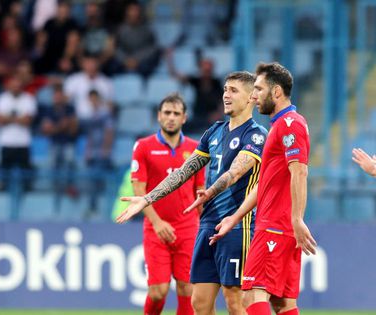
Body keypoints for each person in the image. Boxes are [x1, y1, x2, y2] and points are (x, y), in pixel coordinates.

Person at [116, 71, 268, 315]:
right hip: (207, 225)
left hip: (237, 227)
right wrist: (147, 198)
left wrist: (209, 191)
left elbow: (236, 172)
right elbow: (183, 172)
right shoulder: (214, 132)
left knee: (234, 301)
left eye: (234, 90)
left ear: (251, 97)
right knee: (199, 303)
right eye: (225, 89)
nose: (226, 95)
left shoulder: (256, 134)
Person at [210, 62, 317, 315]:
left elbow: (300, 171)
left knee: (251, 295)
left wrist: (297, 219)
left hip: (275, 226)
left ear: (276, 92)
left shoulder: (290, 124)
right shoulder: (281, 126)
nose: (254, 96)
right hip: (280, 226)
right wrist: (234, 218)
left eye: (258, 89)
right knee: (283, 303)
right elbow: (265, 184)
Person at [130, 93, 204, 315]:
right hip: (156, 228)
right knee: (158, 291)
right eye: (167, 113)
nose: (171, 117)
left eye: (176, 113)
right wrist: (157, 222)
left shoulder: (196, 148)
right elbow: (138, 190)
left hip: (188, 228)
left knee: (187, 288)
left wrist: (206, 226)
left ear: (184, 118)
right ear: (158, 116)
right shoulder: (143, 147)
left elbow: (200, 189)